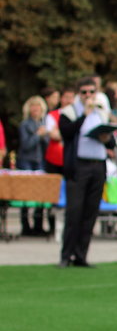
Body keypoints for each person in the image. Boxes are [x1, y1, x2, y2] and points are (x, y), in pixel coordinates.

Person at [58, 77, 113, 268]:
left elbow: (110, 142)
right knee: (74, 212)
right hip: (78, 166)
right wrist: (84, 116)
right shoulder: (69, 112)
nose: (88, 96)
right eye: (84, 92)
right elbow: (66, 133)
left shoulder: (101, 113)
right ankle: (66, 256)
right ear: (78, 94)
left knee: (90, 212)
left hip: (98, 166)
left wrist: (107, 137)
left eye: (91, 92)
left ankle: (81, 255)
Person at [17, 95, 50, 237]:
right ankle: (25, 226)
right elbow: (26, 145)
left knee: (40, 194)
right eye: (33, 106)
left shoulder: (44, 124)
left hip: (40, 161)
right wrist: (38, 135)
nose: (35, 109)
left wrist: (45, 135)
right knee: (25, 195)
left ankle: (38, 225)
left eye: (38, 106)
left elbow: (47, 146)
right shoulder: (24, 125)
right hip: (26, 161)